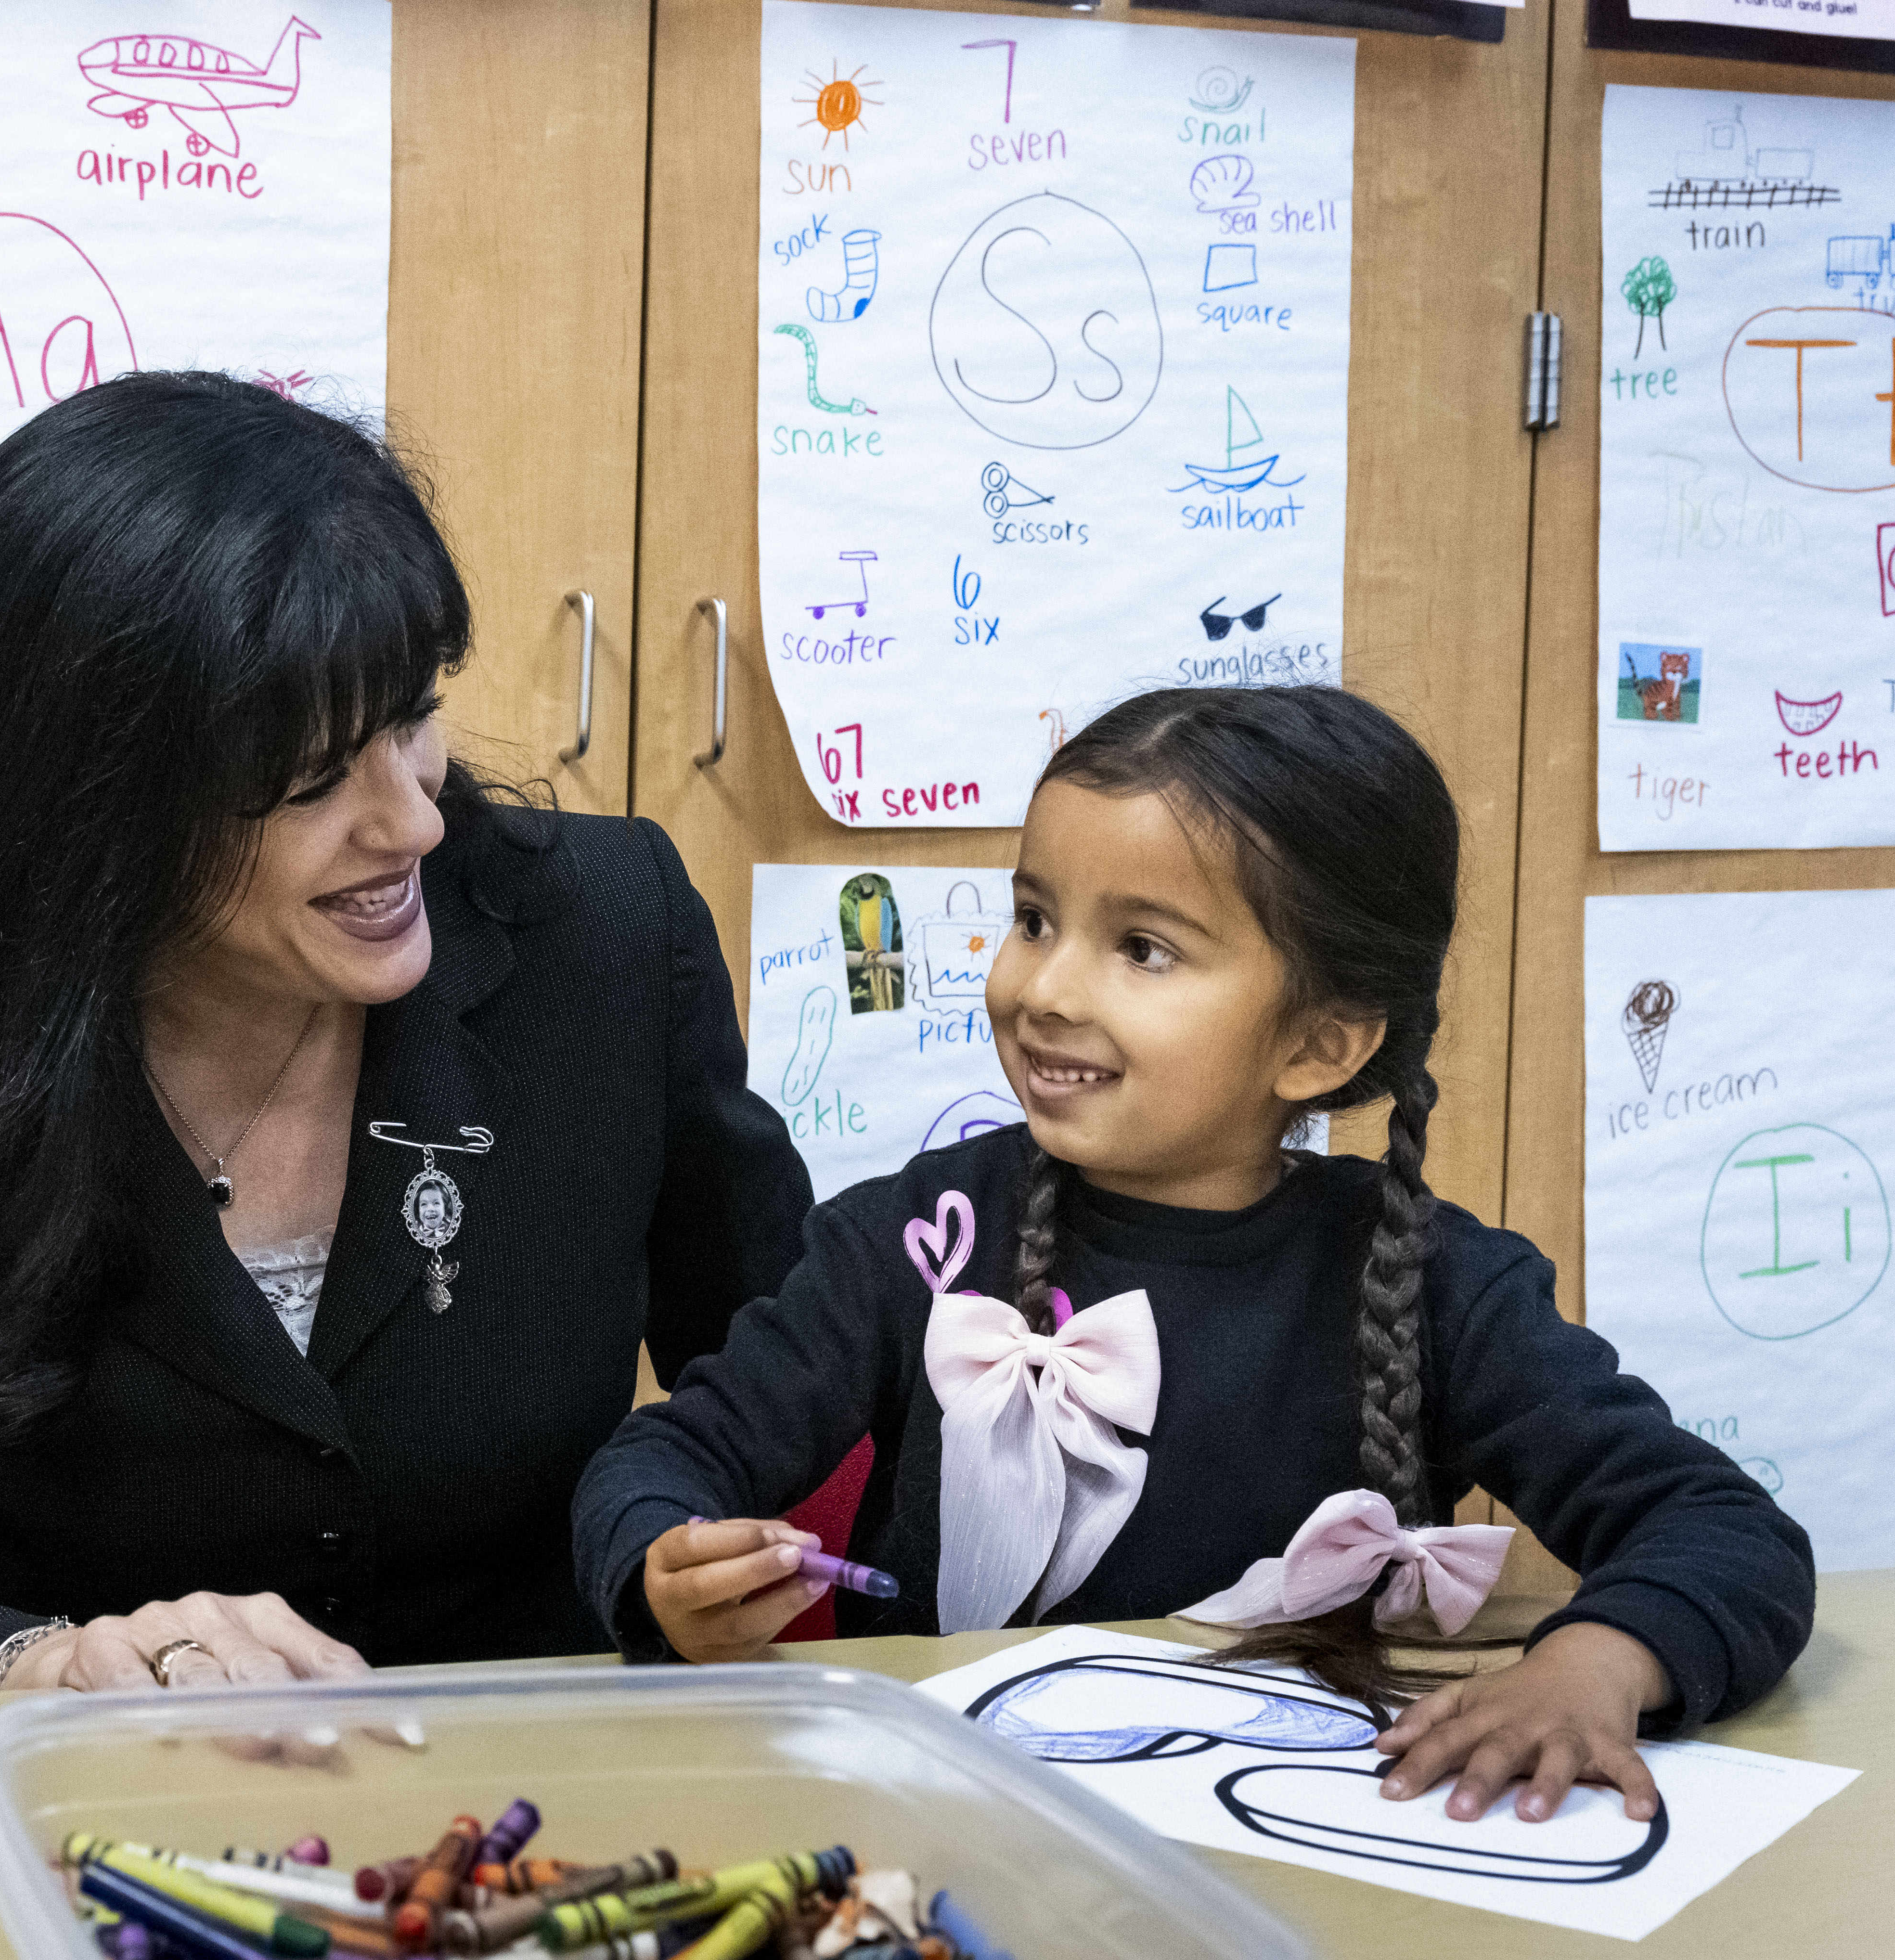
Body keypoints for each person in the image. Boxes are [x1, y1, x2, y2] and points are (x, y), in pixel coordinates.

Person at [0, 372, 812, 1702]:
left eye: (410, 718)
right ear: (97, 803)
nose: (410, 821)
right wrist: (47, 1667)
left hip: (536, 1820)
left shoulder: (601, 939)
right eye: (310, 778)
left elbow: (798, 1393)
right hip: (102, 1832)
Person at [575, 686, 1813, 1826]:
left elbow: (1723, 1529)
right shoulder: (909, 1239)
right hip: (968, 1840)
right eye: (1033, 918)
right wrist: (660, 1563)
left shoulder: (1439, 1282)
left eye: (1143, 948)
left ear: (1320, 1043)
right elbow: (667, 1454)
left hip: (1318, 1860)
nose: (1046, 986)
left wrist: (1594, 1663)